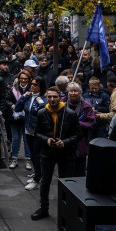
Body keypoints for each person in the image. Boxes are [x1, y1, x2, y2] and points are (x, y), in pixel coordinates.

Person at [31, 87, 82, 220]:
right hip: (47, 152)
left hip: (65, 153)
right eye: (50, 97)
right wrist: (46, 139)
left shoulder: (69, 113)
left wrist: (65, 142)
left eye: (55, 97)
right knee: (45, 181)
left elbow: (78, 134)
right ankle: (43, 208)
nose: (52, 99)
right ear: (46, 98)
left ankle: (67, 211)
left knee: (66, 183)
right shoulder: (42, 113)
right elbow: (37, 132)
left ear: (60, 97)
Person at [65, 82, 96, 176]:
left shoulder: (86, 106)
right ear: (67, 92)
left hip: (80, 142)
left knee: (79, 171)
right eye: (71, 91)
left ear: (80, 93)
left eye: (76, 91)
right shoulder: (62, 103)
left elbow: (92, 124)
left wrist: (77, 123)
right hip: (65, 141)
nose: (73, 93)